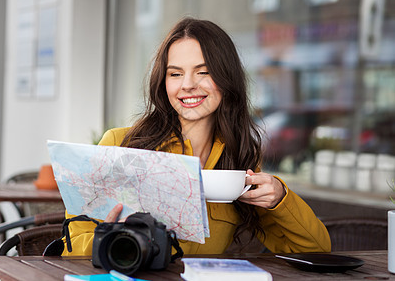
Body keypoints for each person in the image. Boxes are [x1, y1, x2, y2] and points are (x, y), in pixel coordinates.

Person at [62, 17, 331, 256]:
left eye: (203, 72)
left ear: (226, 79)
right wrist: (113, 240)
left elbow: (315, 251)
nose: (188, 84)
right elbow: (72, 246)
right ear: (163, 82)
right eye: (175, 73)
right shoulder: (121, 146)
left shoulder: (238, 164)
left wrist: (281, 198)